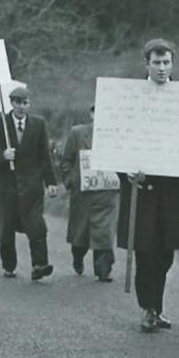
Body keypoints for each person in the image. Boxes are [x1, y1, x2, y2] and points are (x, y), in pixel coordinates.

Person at [118, 38, 179, 332]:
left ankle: (156, 306)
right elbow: (118, 139)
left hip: (173, 189)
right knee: (145, 251)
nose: (161, 68)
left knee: (166, 251)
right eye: (156, 63)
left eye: (166, 62)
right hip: (142, 190)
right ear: (146, 64)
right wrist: (125, 172)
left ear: (172, 64)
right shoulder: (131, 96)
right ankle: (149, 308)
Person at [0, 87, 58, 281]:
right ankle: (9, 265)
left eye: (25, 103)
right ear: (11, 103)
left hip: (31, 185)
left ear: (29, 104)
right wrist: (2, 155)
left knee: (36, 224)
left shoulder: (38, 125)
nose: (22, 107)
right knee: (6, 227)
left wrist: (50, 181)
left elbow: (44, 156)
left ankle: (39, 265)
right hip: (6, 186)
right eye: (18, 102)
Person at [60, 105, 119, 282]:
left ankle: (104, 269)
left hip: (107, 194)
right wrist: (71, 181)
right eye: (96, 113)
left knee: (104, 233)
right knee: (81, 233)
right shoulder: (78, 133)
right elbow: (66, 160)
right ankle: (77, 255)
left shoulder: (117, 135)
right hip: (83, 194)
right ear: (91, 114)